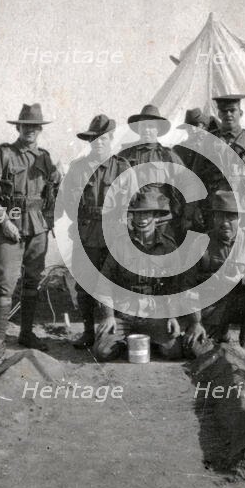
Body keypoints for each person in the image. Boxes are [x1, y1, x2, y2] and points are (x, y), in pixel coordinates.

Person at [0, 103, 61, 365]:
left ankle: (26, 334)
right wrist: (3, 221)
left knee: (32, 282)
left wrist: (49, 219)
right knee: (6, 284)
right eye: (26, 126)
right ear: (18, 127)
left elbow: (53, 192)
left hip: (37, 227)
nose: (30, 130)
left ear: (40, 130)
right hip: (10, 225)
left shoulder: (46, 158)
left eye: (35, 127)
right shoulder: (4, 153)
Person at [61, 114, 137, 349]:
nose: (99, 143)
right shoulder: (78, 168)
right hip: (85, 235)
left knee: (114, 284)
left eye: (104, 138)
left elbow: (133, 204)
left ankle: (116, 332)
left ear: (112, 139)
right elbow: (67, 202)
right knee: (84, 286)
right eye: (94, 139)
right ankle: (88, 331)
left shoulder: (123, 168)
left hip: (114, 236)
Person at [182, 190, 245, 355]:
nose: (225, 223)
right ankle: (221, 332)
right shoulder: (200, 244)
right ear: (213, 218)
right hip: (212, 308)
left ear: (240, 219)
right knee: (195, 351)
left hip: (240, 304)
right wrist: (195, 322)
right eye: (220, 216)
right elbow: (187, 286)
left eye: (231, 217)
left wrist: (244, 279)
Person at [93, 191, 182, 361]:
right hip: (124, 314)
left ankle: (148, 340)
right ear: (131, 217)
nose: (142, 219)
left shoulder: (168, 248)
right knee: (102, 352)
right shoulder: (120, 245)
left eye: (146, 213)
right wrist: (109, 316)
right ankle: (125, 341)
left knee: (173, 352)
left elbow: (175, 287)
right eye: (137, 214)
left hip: (155, 315)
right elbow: (104, 283)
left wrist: (172, 316)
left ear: (156, 217)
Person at [196, 94, 245, 228]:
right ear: (219, 114)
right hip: (216, 209)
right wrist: (195, 207)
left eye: (232, 110)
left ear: (240, 113)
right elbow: (196, 177)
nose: (228, 114)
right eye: (224, 111)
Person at [119, 104, 187, 241]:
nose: (147, 130)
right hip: (132, 220)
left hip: (161, 220)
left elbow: (186, 185)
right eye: (143, 126)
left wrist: (182, 214)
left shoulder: (168, 156)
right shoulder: (125, 155)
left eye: (151, 126)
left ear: (158, 129)